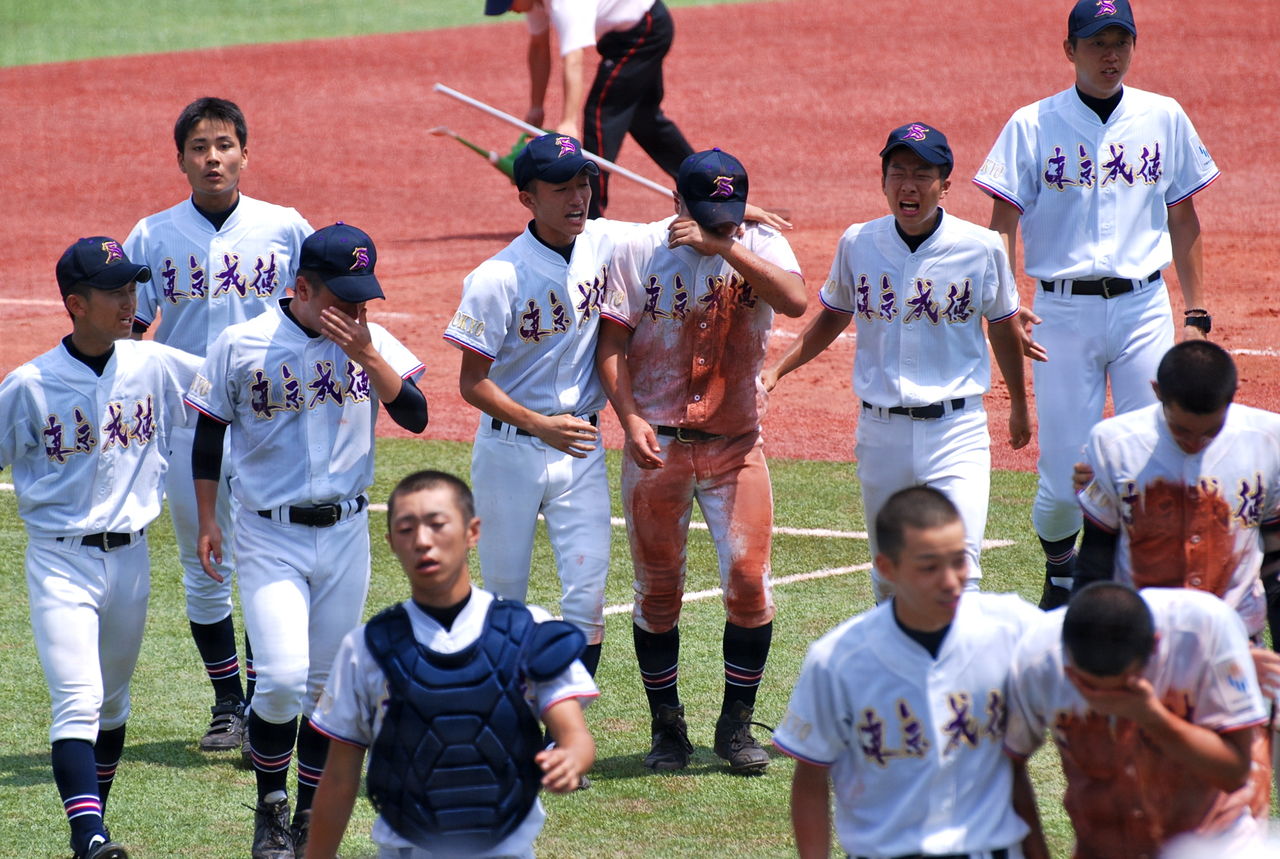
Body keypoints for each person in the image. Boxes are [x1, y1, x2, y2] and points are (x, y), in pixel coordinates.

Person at [185, 223, 427, 859]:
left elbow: (418, 414)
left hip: (346, 534)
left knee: (323, 689)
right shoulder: (241, 345)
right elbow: (208, 438)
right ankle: (271, 807)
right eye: (342, 300)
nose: (354, 313)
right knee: (285, 680)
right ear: (301, 288)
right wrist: (208, 518)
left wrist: (369, 354)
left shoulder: (373, 344)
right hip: (269, 535)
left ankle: (310, 818)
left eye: (363, 301)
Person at [973, 0, 1220, 608]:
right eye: (1096, 44)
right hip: (1061, 315)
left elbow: (1183, 217)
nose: (1110, 55)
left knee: (1151, 457)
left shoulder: (1163, 116)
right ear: (1070, 50)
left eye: (1120, 42)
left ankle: (1141, 581)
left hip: (1143, 309)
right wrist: (1008, 301)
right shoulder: (1032, 123)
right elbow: (1003, 220)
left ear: (1132, 47)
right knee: (1063, 479)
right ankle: (1061, 569)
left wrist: (1195, 314)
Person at [596, 148, 805, 773]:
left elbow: (794, 300)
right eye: (706, 214)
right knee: (658, 592)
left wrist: (728, 247)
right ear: (677, 204)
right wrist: (630, 419)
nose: (722, 224)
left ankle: (735, 726)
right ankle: (668, 729)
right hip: (656, 448)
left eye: (730, 213)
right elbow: (612, 343)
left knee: (748, 583)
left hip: (736, 445)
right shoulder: (638, 249)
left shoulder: (758, 242)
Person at [763, 122, 1030, 603]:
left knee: (960, 572)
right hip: (881, 431)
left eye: (923, 173)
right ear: (883, 179)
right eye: (898, 171)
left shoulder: (982, 247)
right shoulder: (858, 242)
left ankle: (953, 677)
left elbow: (1005, 328)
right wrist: (779, 368)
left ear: (945, 184)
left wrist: (1019, 406)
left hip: (957, 430)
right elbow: (833, 315)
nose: (909, 185)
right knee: (890, 574)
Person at [0, 237, 202, 859]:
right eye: (114, 291)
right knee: (79, 698)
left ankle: (94, 823)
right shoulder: (29, 385)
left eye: (131, 287)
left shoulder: (152, 365)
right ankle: (90, 837)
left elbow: (229, 385)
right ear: (75, 303)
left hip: (133, 558)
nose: (129, 300)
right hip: (60, 560)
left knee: (113, 704)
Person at [124, 96, 314, 756]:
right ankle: (228, 701)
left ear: (244, 152)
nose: (213, 157)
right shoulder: (152, 235)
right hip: (186, 426)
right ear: (180, 158)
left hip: (271, 424)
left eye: (225, 144)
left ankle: (265, 697)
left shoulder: (285, 228)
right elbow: (128, 329)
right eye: (199, 147)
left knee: (269, 556)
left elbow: (315, 316)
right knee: (204, 563)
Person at [304, 470, 597, 858]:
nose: (423, 541)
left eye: (437, 525)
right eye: (406, 529)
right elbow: (340, 778)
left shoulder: (529, 630)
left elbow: (575, 734)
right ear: (391, 542)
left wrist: (572, 757)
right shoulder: (366, 648)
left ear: (472, 532)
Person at [773, 486, 1047, 859]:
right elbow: (810, 780)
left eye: (959, 560)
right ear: (887, 568)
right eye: (929, 567)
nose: (951, 581)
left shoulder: (1014, 627)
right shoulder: (837, 659)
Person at [1005, 582, 1269, 855]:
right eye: (1090, 688)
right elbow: (1009, 764)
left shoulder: (1204, 629)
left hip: (1211, 846)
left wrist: (1151, 715)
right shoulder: (1038, 658)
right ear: (1068, 664)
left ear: (1154, 647)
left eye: (1124, 687)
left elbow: (1235, 772)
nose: (1109, 703)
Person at [1074, 341, 1280, 643]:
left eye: (1211, 431)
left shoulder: (1268, 440)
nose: (1196, 444)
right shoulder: (1114, 445)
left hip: (1234, 644)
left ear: (1231, 399)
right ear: (1157, 392)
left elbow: (1276, 559)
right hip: (1142, 643)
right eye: (1182, 431)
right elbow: (1096, 559)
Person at [485, 0, 694, 218]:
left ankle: (591, 218)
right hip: (623, 37)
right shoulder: (534, 4)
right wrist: (536, 106)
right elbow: (539, 47)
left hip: (645, 30)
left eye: (509, 2)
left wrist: (568, 121)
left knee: (600, 115)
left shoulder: (565, 4)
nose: (509, 9)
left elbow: (574, 59)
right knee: (644, 119)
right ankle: (705, 182)